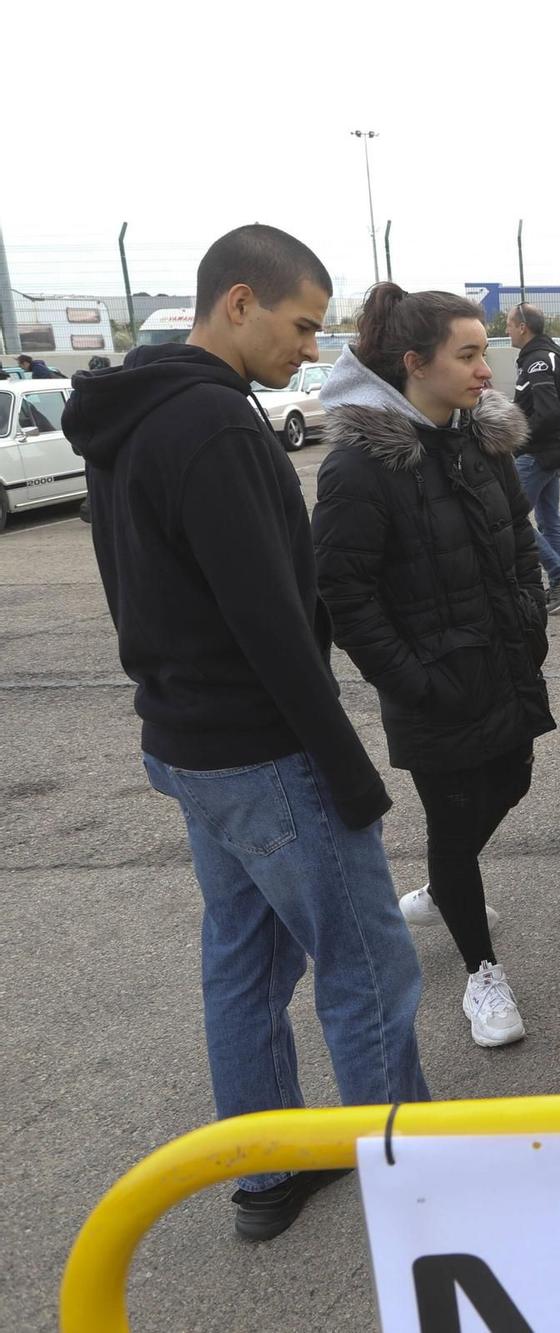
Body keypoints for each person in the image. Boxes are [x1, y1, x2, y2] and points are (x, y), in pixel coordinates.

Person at [62, 223, 427, 1242]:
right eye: (302, 325)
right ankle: (429, 1184)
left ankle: (264, 1169)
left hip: (189, 742)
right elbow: (271, 619)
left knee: (247, 955)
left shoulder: (132, 412)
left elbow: (122, 578)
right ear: (237, 302)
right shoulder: (214, 428)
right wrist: (346, 768)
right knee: (366, 966)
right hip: (263, 751)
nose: (311, 348)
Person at [314, 286, 556, 1048]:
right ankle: (482, 974)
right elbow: (344, 596)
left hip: (503, 664)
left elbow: (520, 540)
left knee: (511, 779)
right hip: (434, 689)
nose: (488, 369)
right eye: (469, 354)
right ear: (415, 364)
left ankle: (443, 885)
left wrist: (531, 613)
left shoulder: (478, 437)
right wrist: (413, 681)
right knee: (454, 828)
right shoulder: (360, 467)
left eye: (488, 350)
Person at [508, 303, 560, 612]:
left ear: (523, 327)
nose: (507, 331)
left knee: (512, 519)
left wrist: (517, 441)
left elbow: (548, 413)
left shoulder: (538, 362)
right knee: (549, 520)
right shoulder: (549, 356)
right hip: (550, 452)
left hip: (537, 454)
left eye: (510, 325)